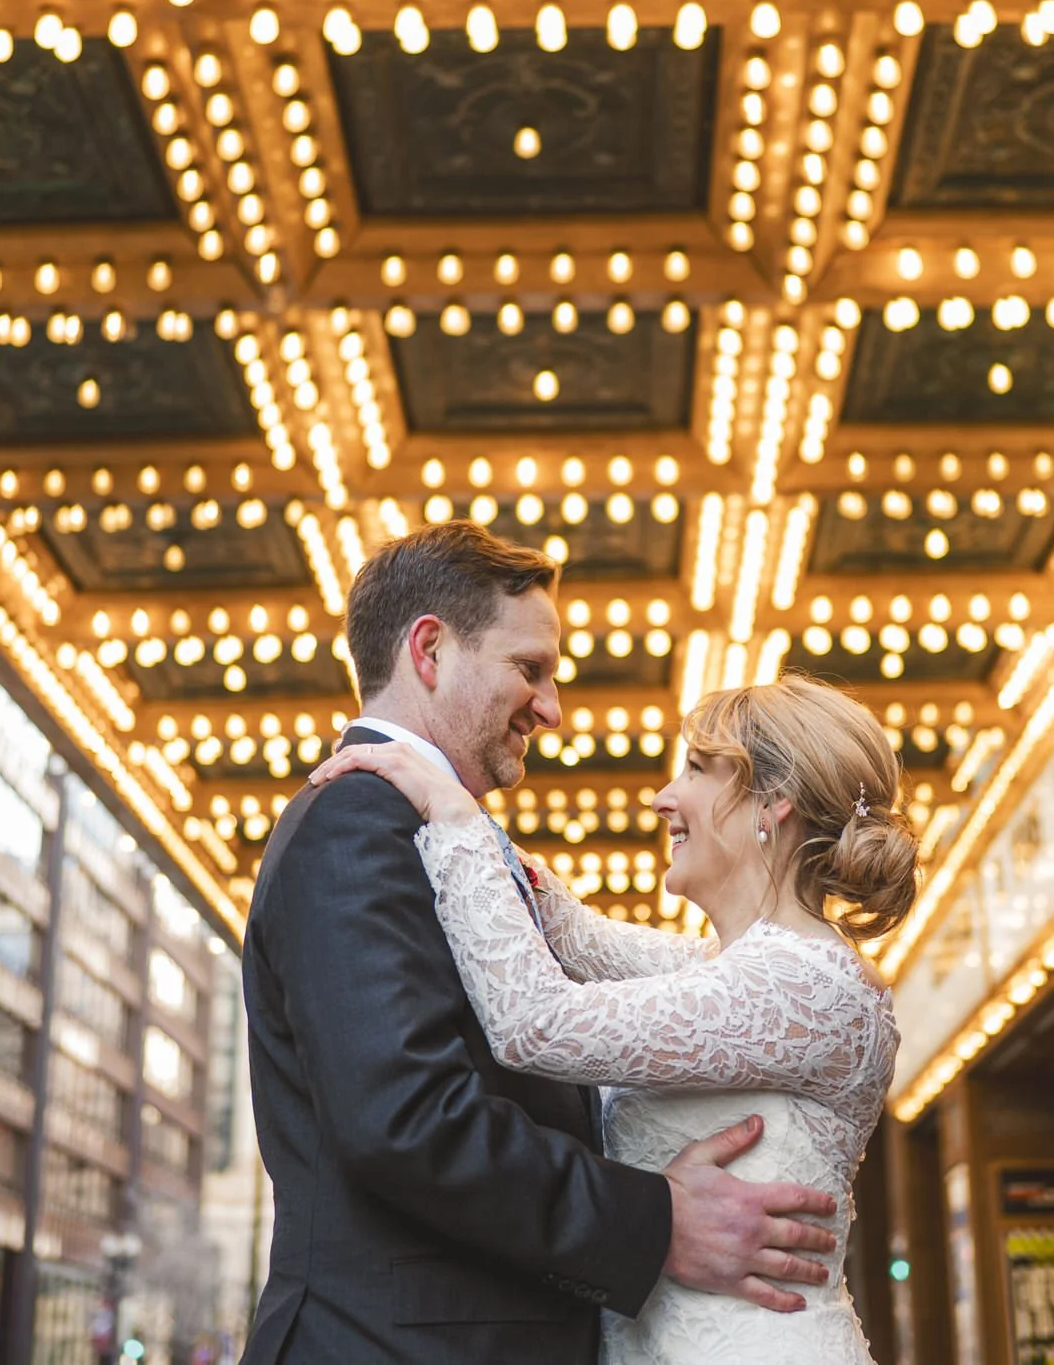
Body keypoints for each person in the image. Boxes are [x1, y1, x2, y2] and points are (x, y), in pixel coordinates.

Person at [239, 521, 846, 1365]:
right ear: (430, 650)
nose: (553, 709)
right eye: (530, 669)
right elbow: (406, 1119)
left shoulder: (443, 836)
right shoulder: (354, 821)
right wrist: (659, 1221)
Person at [307, 663, 918, 1365]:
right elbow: (574, 932)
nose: (663, 797)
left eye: (694, 768)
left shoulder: (808, 986)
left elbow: (534, 1021)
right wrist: (446, 785)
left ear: (770, 802)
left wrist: (455, 818)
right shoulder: (729, 969)